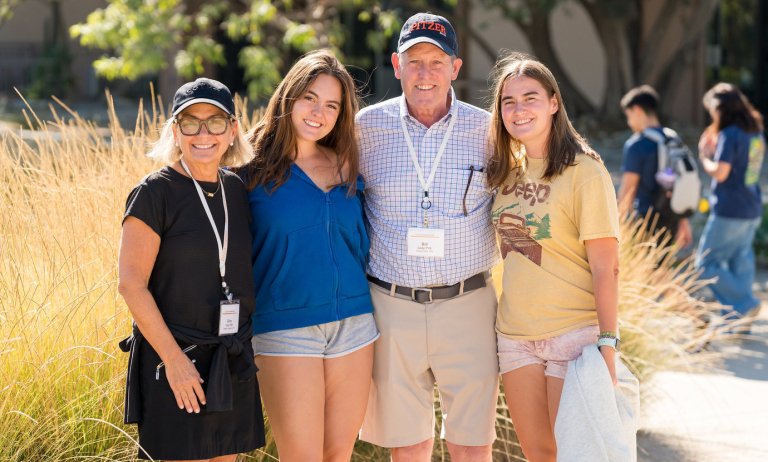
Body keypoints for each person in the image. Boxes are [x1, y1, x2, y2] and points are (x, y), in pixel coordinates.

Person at [357, 12, 500, 461]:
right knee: (409, 444)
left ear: (455, 68)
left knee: (472, 443)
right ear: (396, 65)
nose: (425, 73)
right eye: (414, 61)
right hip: (391, 306)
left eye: (436, 61)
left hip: (469, 303)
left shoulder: (490, 130)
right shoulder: (364, 128)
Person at [239, 49, 377, 461]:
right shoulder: (248, 168)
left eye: (332, 105)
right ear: (289, 97)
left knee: (338, 455)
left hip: (355, 325)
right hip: (284, 327)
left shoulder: (348, 165)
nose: (319, 112)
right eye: (310, 98)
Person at [117, 78, 265, 461]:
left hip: (230, 355)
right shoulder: (154, 193)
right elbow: (131, 286)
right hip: (177, 359)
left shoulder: (237, 189)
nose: (204, 134)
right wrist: (175, 361)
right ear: (174, 130)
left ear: (233, 130)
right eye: (190, 122)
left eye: (215, 122)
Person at [486, 52, 620, 462]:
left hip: (573, 337)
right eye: (509, 101)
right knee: (538, 453)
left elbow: (606, 267)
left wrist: (609, 345)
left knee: (573, 454)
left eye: (530, 98)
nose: (519, 109)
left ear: (553, 102)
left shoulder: (585, 172)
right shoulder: (506, 170)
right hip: (515, 337)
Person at [695, 82, 765, 327]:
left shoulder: (730, 134)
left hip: (729, 208)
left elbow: (721, 172)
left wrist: (705, 157)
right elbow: (750, 169)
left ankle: (745, 304)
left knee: (705, 263)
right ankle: (737, 321)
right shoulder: (755, 131)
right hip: (752, 206)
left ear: (720, 109)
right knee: (740, 262)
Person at [617, 84, 692, 247]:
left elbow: (628, 189)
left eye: (629, 116)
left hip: (644, 219)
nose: (629, 122)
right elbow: (681, 182)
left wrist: (618, 226)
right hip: (671, 218)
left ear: (637, 110)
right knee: (663, 269)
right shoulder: (673, 139)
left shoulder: (637, 144)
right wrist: (683, 222)